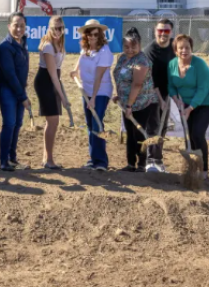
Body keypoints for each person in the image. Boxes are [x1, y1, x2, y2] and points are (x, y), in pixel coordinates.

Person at [167, 34, 209, 178]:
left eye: (187, 47)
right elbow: (171, 86)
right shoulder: (172, 65)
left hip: (206, 102)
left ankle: (204, 170)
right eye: (181, 48)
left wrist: (190, 108)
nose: (184, 50)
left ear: (191, 48)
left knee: (197, 133)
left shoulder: (199, 64)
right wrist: (177, 102)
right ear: (176, 50)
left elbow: (202, 89)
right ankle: (194, 168)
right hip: (185, 103)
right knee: (189, 136)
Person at [113, 27, 159, 172]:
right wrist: (119, 95)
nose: (130, 49)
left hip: (141, 103)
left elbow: (137, 84)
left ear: (139, 45)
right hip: (126, 103)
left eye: (134, 46)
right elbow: (120, 77)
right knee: (130, 133)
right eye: (126, 46)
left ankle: (141, 164)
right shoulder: (122, 58)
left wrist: (129, 105)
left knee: (138, 133)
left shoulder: (142, 60)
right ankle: (130, 163)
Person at [72, 19, 113, 171]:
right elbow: (81, 57)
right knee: (90, 124)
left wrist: (94, 98)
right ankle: (92, 159)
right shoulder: (86, 49)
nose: (92, 37)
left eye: (95, 34)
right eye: (89, 33)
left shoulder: (105, 52)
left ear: (100, 34)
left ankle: (101, 161)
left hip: (101, 91)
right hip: (86, 90)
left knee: (97, 122)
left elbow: (99, 77)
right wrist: (75, 70)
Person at [33, 15, 70, 169]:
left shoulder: (59, 44)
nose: (58, 31)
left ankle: (46, 158)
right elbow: (53, 75)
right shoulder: (48, 46)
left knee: (53, 122)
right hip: (45, 82)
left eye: (60, 28)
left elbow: (57, 75)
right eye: (55, 28)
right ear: (49, 28)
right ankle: (49, 160)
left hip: (53, 80)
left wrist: (61, 93)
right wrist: (63, 98)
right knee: (53, 121)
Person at [0, 12, 30, 171]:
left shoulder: (23, 43)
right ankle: (3, 161)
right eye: (16, 25)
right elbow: (9, 74)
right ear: (9, 26)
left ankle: (12, 159)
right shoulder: (5, 47)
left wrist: (23, 91)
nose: (19, 28)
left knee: (17, 124)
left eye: (22, 25)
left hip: (19, 90)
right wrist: (23, 96)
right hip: (7, 91)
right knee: (9, 124)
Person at [143, 18, 176, 154]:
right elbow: (151, 78)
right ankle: (151, 158)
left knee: (163, 126)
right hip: (151, 91)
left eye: (166, 30)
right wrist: (161, 100)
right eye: (160, 30)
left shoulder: (175, 46)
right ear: (155, 31)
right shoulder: (150, 50)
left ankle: (158, 156)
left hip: (166, 90)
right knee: (154, 125)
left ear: (171, 31)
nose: (163, 33)